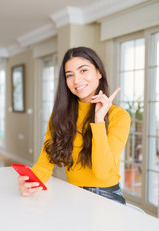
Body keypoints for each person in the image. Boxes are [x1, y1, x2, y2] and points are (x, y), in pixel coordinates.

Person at [18, 46, 131, 204]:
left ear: (99, 72)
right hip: (72, 192)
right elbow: (45, 162)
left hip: (106, 196)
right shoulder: (60, 115)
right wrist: (31, 182)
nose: (77, 80)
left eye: (83, 70)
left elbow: (103, 173)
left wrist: (99, 120)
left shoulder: (119, 116)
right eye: (69, 75)